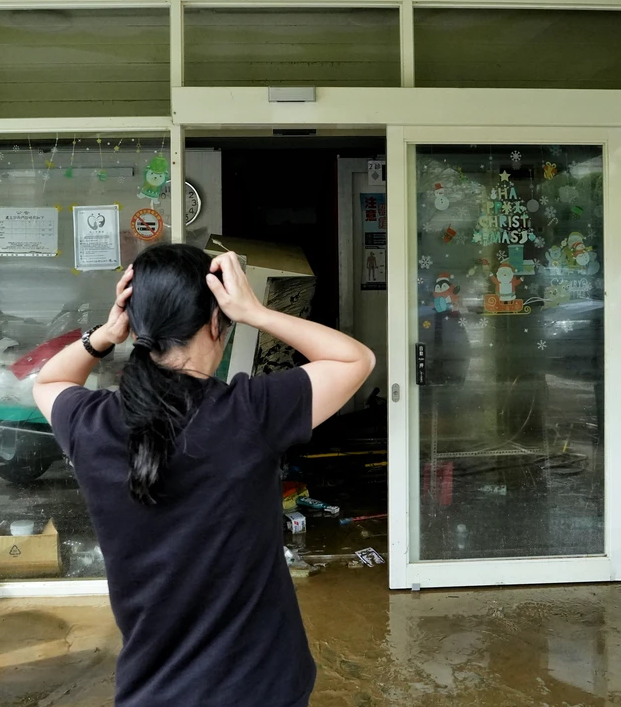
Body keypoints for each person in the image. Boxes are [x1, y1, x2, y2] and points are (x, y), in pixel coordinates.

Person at [33, 244, 376, 707]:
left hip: (152, 692)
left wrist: (106, 334)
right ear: (217, 322)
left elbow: (48, 382)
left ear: (138, 326)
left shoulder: (90, 424)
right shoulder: (250, 413)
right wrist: (256, 311)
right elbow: (355, 360)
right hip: (261, 686)